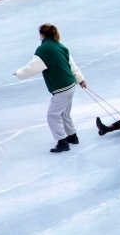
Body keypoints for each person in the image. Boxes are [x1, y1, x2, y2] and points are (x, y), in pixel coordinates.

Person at [14, 23, 87, 153]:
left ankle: (62, 142)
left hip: (61, 88)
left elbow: (32, 68)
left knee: (53, 115)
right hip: (70, 85)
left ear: (41, 35)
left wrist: (19, 73)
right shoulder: (61, 46)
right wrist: (80, 80)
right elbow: (72, 65)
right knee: (64, 113)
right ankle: (72, 136)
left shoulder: (43, 50)